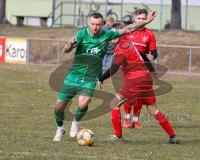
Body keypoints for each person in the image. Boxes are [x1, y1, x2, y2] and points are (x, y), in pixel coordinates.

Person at [53, 11, 157, 142]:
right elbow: (66, 50)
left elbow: (128, 28)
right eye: (92, 24)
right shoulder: (81, 34)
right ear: (88, 23)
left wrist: (145, 22)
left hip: (90, 77)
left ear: (102, 24)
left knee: (83, 102)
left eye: (98, 24)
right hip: (73, 75)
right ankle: (60, 128)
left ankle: (75, 122)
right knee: (59, 107)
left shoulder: (107, 34)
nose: (95, 27)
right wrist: (69, 44)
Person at [98, 23, 179, 144]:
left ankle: (118, 137)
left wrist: (101, 78)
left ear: (122, 33)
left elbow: (113, 68)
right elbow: (142, 55)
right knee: (153, 109)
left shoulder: (121, 47)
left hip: (135, 80)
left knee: (114, 104)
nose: (114, 36)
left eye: (117, 33)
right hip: (146, 79)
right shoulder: (129, 43)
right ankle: (173, 136)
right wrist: (151, 69)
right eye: (112, 33)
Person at [122, 9, 158, 129]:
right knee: (129, 94)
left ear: (146, 19)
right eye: (138, 18)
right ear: (134, 19)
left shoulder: (149, 34)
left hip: (143, 68)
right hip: (128, 68)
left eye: (143, 18)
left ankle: (135, 120)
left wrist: (152, 56)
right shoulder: (127, 32)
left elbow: (154, 52)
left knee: (140, 95)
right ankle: (126, 119)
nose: (141, 21)